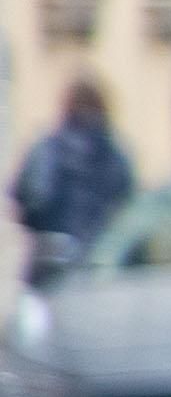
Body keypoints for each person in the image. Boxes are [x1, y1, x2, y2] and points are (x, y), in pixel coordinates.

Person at [16, 75, 132, 262]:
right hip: (103, 257)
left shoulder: (48, 149)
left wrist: (44, 230)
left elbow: (28, 196)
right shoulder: (115, 154)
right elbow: (128, 204)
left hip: (52, 259)